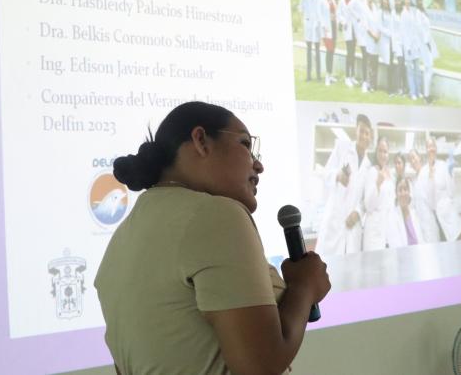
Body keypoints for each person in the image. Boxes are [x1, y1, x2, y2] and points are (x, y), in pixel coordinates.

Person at [95, 101, 331, 375]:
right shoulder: (216, 214)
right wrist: (303, 287)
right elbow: (260, 367)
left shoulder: (125, 234)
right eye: (245, 144)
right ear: (201, 141)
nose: (259, 165)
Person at [315, 114, 373, 255]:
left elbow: (366, 199)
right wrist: (337, 175)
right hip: (335, 220)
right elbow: (325, 173)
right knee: (328, 266)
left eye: (367, 133)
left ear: (370, 138)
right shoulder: (342, 148)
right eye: (361, 131)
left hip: (352, 225)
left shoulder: (368, 166)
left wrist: (358, 212)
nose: (364, 136)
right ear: (356, 131)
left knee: (350, 269)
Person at [419, 137, 461, 241]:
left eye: (433, 146)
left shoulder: (444, 166)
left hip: (449, 219)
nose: (431, 149)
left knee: (455, 251)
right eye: (428, 147)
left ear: (436, 149)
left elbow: (451, 192)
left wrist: (451, 173)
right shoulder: (423, 172)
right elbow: (429, 202)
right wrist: (430, 177)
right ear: (425, 150)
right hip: (434, 222)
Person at [362, 136, 395, 251]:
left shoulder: (390, 174)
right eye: (380, 151)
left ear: (388, 154)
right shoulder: (372, 172)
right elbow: (368, 206)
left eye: (385, 151)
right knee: (373, 267)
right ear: (376, 152)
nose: (382, 154)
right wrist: (377, 184)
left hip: (387, 231)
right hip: (374, 231)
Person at [408, 148, 441, 243]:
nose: (412, 161)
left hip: (429, 223)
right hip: (420, 225)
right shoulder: (414, 180)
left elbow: (434, 197)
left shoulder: (428, 172)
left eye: (414, 157)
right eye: (410, 159)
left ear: (420, 158)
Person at [388, 177, 425, 248]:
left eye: (405, 189)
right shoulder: (392, 217)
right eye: (400, 190)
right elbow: (395, 245)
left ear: (409, 191)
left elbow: (422, 240)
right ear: (396, 194)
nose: (403, 193)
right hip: (402, 257)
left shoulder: (415, 214)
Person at [299, 0, 322, 82]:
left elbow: (320, 9)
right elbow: (301, 7)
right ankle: (308, 76)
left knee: (317, 49)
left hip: (316, 25)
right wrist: (304, 18)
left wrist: (319, 21)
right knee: (308, 50)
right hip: (308, 23)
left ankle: (318, 76)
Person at [416, 0, 439, 104]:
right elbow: (420, 30)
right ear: (416, 1)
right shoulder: (418, 13)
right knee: (429, 68)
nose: (421, 1)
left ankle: (426, 95)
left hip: (427, 43)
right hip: (424, 45)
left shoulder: (423, 12)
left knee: (428, 69)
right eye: (419, 0)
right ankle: (426, 96)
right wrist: (427, 44)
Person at [400, 0, 422, 100]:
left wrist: (417, 45)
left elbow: (415, 31)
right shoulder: (403, 14)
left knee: (417, 70)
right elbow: (404, 33)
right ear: (404, 1)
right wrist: (407, 47)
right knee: (410, 71)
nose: (408, 1)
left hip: (415, 46)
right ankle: (413, 93)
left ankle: (419, 91)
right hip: (408, 47)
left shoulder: (413, 13)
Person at [337, 0, 357, 87]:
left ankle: (353, 76)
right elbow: (339, 14)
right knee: (349, 53)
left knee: (353, 53)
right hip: (347, 29)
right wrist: (343, 22)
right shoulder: (341, 1)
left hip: (354, 30)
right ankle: (347, 77)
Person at [351, 0, 369, 88]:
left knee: (367, 56)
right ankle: (364, 79)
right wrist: (357, 18)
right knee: (364, 55)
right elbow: (349, 9)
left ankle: (367, 79)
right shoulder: (355, 0)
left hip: (367, 30)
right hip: (360, 32)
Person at [320, 0, 338, 86]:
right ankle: (327, 76)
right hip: (327, 29)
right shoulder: (321, 0)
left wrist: (335, 19)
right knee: (329, 51)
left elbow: (335, 12)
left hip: (333, 27)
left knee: (332, 51)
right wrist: (324, 26)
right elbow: (320, 14)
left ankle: (331, 75)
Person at [364, 0, 380, 93]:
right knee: (370, 63)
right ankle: (369, 84)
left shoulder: (375, 8)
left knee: (375, 63)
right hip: (370, 39)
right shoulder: (364, 10)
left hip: (376, 40)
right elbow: (366, 27)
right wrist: (373, 36)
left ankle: (374, 84)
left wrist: (378, 35)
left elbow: (378, 23)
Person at [378, 0, 394, 95]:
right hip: (385, 40)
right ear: (382, 1)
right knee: (388, 64)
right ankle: (389, 89)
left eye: (387, 0)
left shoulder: (390, 12)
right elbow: (380, 27)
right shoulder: (380, 12)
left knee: (391, 64)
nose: (386, 1)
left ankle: (392, 87)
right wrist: (389, 33)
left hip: (391, 41)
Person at [391, 0, 406, 95]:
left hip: (405, 42)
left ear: (401, 2)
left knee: (404, 65)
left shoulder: (405, 12)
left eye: (398, 0)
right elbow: (392, 30)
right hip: (397, 43)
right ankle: (398, 88)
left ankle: (405, 87)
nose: (397, 2)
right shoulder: (393, 13)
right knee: (400, 64)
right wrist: (394, 46)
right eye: (395, 1)